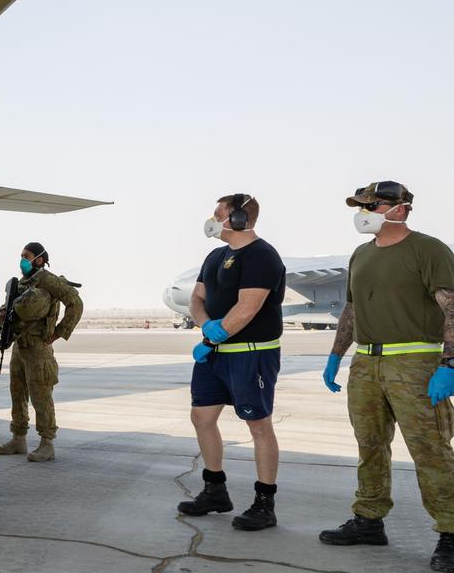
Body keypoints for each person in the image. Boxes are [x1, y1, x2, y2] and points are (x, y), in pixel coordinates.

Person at [318, 181, 454, 572]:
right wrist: (335, 355)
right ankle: (368, 519)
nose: (363, 212)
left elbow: (452, 307)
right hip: (367, 363)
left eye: (371, 205)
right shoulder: (361, 254)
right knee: (370, 444)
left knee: (430, 450)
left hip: (414, 364)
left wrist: (449, 364)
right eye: (361, 205)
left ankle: (450, 531)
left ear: (400, 209)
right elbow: (353, 309)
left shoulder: (429, 249)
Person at [179, 194, 285, 532]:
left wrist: (213, 336)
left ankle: (265, 504)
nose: (211, 219)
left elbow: (248, 307)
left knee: (258, 426)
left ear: (237, 219)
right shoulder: (215, 256)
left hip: (250, 353)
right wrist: (205, 326)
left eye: (217, 213)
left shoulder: (262, 256)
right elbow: (197, 298)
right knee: (202, 417)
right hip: (215, 354)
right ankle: (215, 490)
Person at [0, 242, 83, 462]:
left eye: (27, 256)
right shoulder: (23, 283)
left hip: (38, 348)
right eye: (22, 255)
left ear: (40, 260)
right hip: (19, 345)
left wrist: (60, 331)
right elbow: (9, 306)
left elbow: (75, 302)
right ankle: (18, 438)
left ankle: (47, 443)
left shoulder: (48, 281)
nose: (23, 260)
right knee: (17, 393)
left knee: (40, 396)